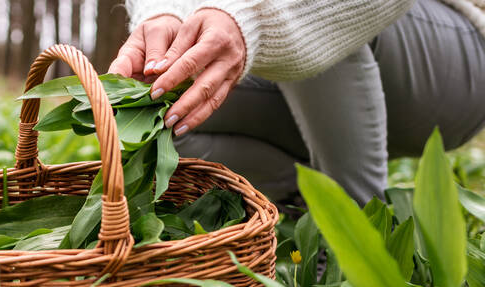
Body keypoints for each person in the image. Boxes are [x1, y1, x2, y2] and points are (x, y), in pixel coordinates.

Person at [110, 0, 485, 204]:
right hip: (311, 85)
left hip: (452, 65)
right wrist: (166, 16)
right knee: (165, 121)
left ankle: (358, 232)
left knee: (307, 26)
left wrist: (253, 21)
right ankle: (309, 200)